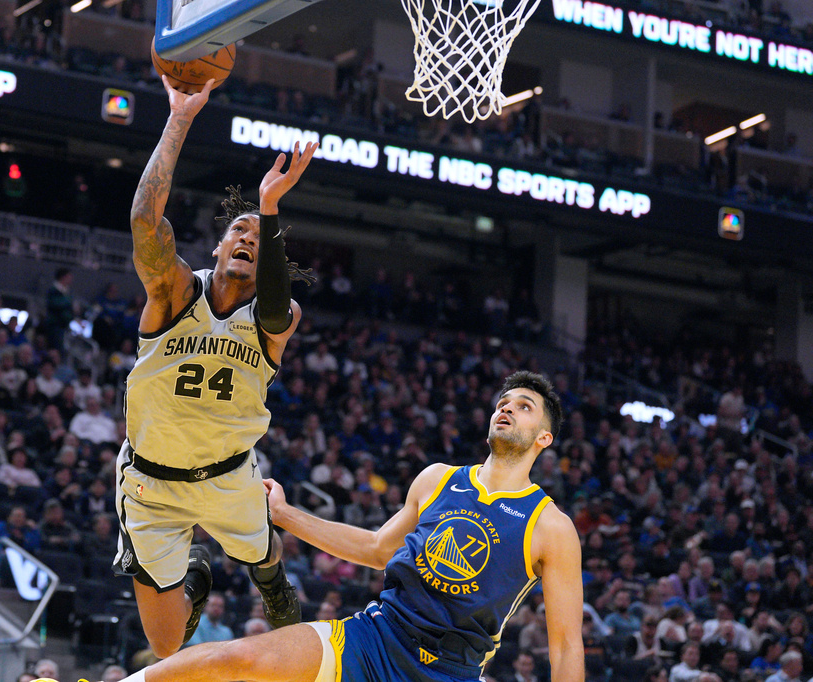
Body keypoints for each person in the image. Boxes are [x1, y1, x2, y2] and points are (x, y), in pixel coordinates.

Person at [121, 371, 584, 682]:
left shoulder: (551, 527)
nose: (506, 409)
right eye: (503, 403)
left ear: (544, 437)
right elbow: (379, 548)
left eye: (523, 407)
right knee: (241, 657)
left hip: (449, 670)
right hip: (374, 638)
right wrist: (284, 514)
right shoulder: (438, 479)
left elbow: (564, 648)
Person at [113, 76, 317, 658]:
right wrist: (178, 117)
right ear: (217, 248)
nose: (248, 237)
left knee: (262, 553)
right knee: (167, 648)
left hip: (230, 475)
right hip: (151, 484)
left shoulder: (278, 316)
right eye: (239, 229)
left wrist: (270, 206)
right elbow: (145, 226)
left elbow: (277, 305)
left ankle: (271, 579)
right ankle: (196, 570)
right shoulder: (174, 294)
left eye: (260, 236)